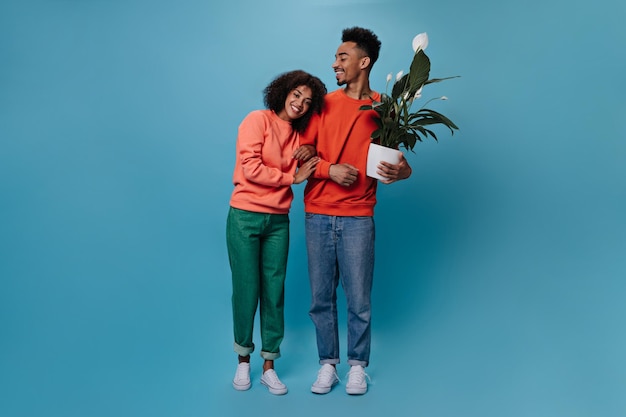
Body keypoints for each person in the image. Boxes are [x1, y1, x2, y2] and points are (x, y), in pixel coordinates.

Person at [300, 27, 412, 395]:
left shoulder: (386, 108)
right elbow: (302, 158)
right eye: (335, 58)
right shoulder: (323, 104)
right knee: (321, 298)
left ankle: (357, 367)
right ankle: (327, 365)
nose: (334, 63)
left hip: (359, 217)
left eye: (342, 57)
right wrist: (328, 168)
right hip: (318, 214)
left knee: (359, 299)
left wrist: (402, 170)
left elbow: (399, 161)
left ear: (363, 63)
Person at [226, 70, 326, 395]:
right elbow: (250, 167)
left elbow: (312, 161)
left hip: (278, 221)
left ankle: (269, 365)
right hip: (245, 216)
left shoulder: (300, 138)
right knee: (246, 289)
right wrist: (290, 179)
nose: (299, 103)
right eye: (296, 95)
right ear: (283, 91)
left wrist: (311, 155)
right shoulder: (257, 120)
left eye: (307, 101)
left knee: (274, 291)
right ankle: (243, 360)